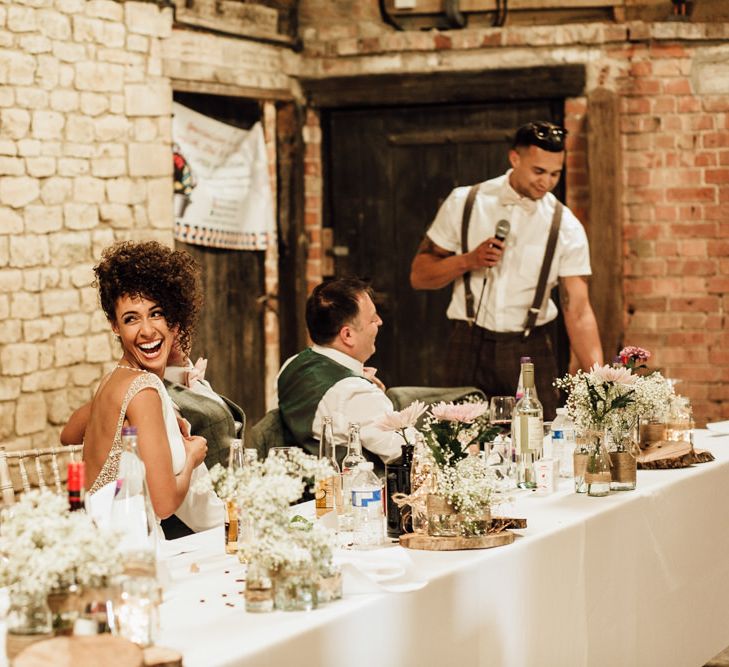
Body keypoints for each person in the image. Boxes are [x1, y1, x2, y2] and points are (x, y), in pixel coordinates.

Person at [410, 120, 603, 419]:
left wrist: (597, 383)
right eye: (538, 171)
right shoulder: (465, 202)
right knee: (456, 445)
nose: (547, 182)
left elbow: (577, 308)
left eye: (555, 174)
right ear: (514, 159)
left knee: (538, 444)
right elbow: (419, 275)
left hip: (530, 346)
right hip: (467, 341)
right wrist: (468, 260)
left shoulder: (565, 225)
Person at [83, 240, 223, 534]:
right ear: (114, 325)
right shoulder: (143, 388)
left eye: (156, 313)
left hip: (96, 537)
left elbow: (70, 432)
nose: (147, 330)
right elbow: (163, 505)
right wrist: (193, 456)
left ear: (174, 318)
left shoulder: (112, 379)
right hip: (129, 547)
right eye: (131, 318)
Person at [276, 278, 402, 467]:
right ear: (347, 335)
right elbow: (403, 451)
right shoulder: (355, 392)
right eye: (372, 319)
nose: (380, 322)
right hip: (349, 488)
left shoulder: (292, 364)